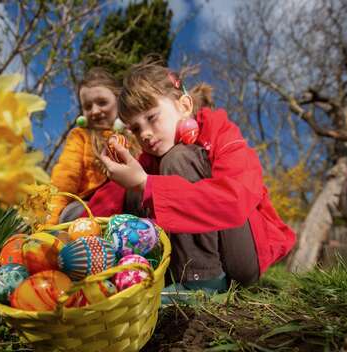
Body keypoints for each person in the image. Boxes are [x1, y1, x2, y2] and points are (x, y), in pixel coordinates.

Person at [87, 60, 296, 296]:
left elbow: (235, 201)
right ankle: (162, 277)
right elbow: (107, 201)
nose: (144, 133)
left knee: (175, 161)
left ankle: (203, 282)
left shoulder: (221, 134)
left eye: (152, 117)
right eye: (135, 128)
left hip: (241, 255)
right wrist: (75, 224)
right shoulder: (150, 157)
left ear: (184, 105)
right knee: (131, 192)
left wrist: (147, 184)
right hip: (184, 263)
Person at [47, 67, 138, 225]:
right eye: (88, 106)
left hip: (127, 206)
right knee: (71, 214)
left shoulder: (135, 136)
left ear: (118, 101)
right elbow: (64, 180)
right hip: (87, 208)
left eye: (102, 102)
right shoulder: (81, 137)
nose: (95, 111)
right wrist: (49, 225)